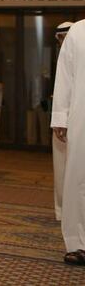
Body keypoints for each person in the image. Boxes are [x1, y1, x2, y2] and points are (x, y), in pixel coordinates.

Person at [51, 19, 85, 266]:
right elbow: (65, 76)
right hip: (81, 116)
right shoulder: (78, 31)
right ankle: (77, 243)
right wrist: (60, 117)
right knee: (78, 178)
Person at [53, 21, 74, 221]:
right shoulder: (60, 55)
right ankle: (61, 209)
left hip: (77, 117)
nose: (62, 41)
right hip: (61, 119)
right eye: (59, 37)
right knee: (60, 167)